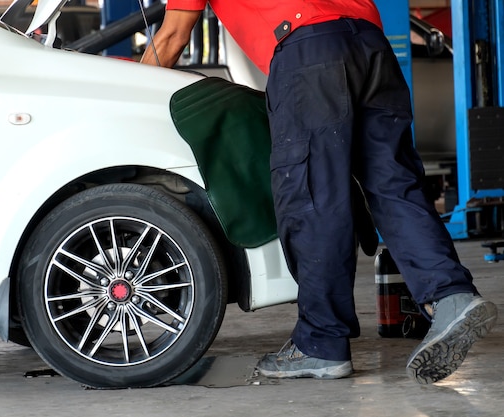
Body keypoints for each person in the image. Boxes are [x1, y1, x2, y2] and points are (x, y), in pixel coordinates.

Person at [140, 0, 498, 384]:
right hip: (372, 46)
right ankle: (451, 296)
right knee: (395, 186)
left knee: (312, 198)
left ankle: (321, 344)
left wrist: (134, 102)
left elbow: (174, 33)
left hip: (310, 53)